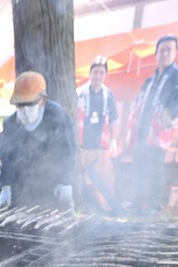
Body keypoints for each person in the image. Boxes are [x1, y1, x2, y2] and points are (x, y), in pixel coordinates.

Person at [0, 71, 77, 211]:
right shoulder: (10, 124)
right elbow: (7, 159)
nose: (24, 109)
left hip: (54, 183)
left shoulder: (56, 115)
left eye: (29, 104)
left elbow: (68, 149)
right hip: (21, 184)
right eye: (19, 105)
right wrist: (5, 188)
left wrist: (65, 181)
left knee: (65, 219)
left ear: (43, 100)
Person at [125, 35, 178, 215]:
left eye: (169, 50)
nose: (164, 54)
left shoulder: (175, 78)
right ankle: (136, 203)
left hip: (158, 133)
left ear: (175, 53)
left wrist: (170, 116)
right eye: (161, 50)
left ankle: (155, 206)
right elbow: (139, 102)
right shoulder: (150, 80)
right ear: (156, 54)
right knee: (138, 168)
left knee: (156, 169)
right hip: (142, 131)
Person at [76, 56, 119, 214]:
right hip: (82, 146)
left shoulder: (109, 95)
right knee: (83, 181)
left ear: (105, 75)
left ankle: (106, 210)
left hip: (100, 147)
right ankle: (86, 209)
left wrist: (114, 139)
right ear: (90, 73)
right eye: (95, 72)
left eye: (102, 72)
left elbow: (114, 119)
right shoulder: (79, 93)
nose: (98, 76)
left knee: (103, 180)